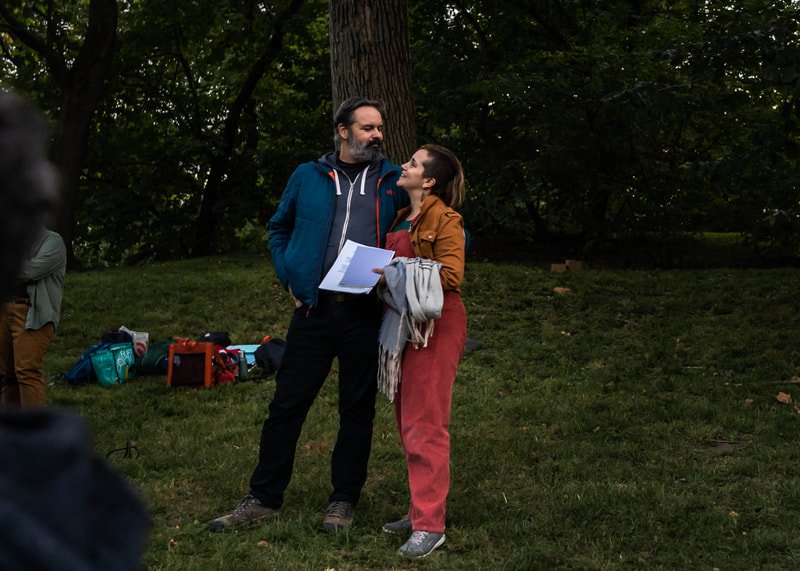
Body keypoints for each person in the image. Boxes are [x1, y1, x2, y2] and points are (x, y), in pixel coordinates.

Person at [209, 96, 408, 533]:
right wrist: (290, 278)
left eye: (379, 127)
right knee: (286, 405)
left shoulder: (394, 180)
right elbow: (278, 227)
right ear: (343, 131)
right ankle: (262, 498)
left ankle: (343, 501)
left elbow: (429, 221)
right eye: (367, 127)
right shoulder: (308, 175)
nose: (377, 135)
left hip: (366, 313)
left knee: (356, 410)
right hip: (314, 311)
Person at [377, 144, 468, 558]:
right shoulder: (402, 216)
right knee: (407, 421)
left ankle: (430, 525)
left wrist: (393, 272)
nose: (404, 165)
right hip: (402, 325)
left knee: (425, 425)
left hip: (436, 326)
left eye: (413, 164)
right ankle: (419, 510)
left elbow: (452, 275)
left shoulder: (446, 220)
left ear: (428, 181)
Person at [0, 229, 66, 407]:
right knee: (7, 375)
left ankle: (34, 424)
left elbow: (29, 271)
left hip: (30, 312)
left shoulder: (53, 241)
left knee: (27, 372)